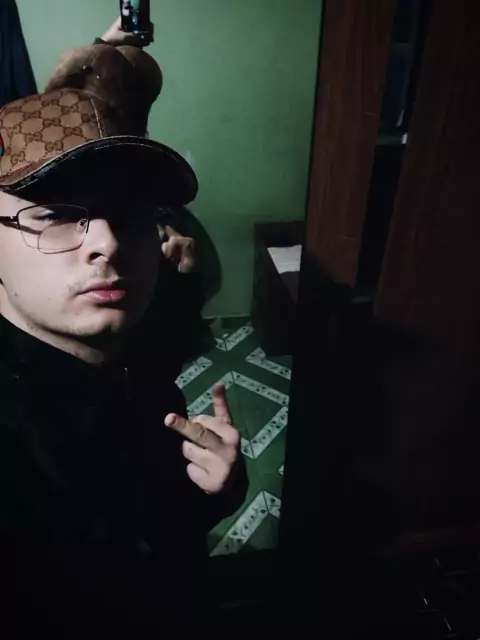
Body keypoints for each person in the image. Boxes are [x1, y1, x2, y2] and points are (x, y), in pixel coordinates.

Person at [0, 18, 247, 638]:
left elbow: (156, 533)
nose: (107, 243)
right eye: (55, 215)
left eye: (132, 214)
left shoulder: (140, 340)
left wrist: (215, 488)